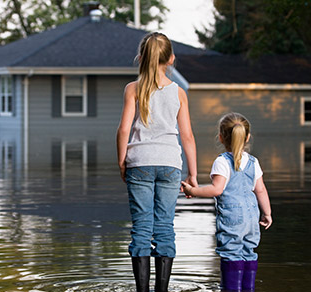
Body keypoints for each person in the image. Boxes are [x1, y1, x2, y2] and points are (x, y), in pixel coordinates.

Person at [116, 32, 198, 292]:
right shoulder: (179, 92)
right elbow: (187, 136)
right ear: (171, 59)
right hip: (170, 163)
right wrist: (193, 174)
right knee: (164, 226)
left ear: (140, 58)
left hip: (139, 161)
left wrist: (122, 162)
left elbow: (123, 130)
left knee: (141, 227)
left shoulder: (133, 88)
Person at [181, 112, 272, 291]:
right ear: (247, 137)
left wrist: (193, 190)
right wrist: (267, 213)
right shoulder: (253, 162)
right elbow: (260, 189)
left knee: (231, 253)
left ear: (221, 137)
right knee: (248, 252)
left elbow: (217, 189)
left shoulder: (222, 162)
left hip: (233, 217)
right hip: (252, 216)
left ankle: (231, 288)